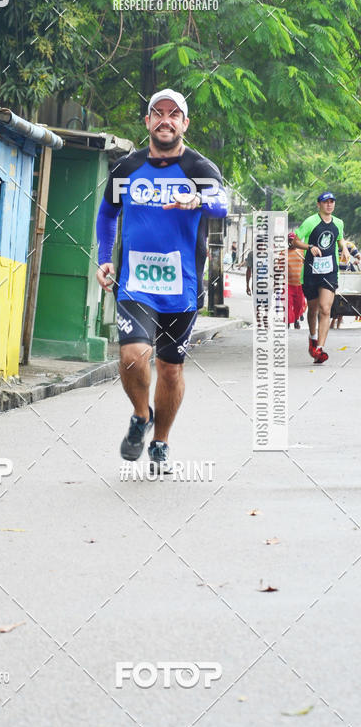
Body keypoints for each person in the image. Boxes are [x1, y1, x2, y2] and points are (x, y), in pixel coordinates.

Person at [95, 89, 228, 473]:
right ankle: (141, 415)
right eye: (158, 113)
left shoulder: (200, 169)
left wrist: (199, 201)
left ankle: (161, 442)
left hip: (182, 287)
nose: (165, 120)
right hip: (135, 283)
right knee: (133, 356)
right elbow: (107, 216)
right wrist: (105, 259)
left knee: (170, 369)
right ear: (148, 121)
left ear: (185, 123)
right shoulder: (126, 168)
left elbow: (222, 203)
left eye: (174, 114)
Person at [293, 192, 352, 363]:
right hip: (311, 271)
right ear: (318, 204)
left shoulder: (338, 223)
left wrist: (345, 248)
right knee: (313, 310)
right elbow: (295, 241)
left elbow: (339, 239)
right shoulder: (310, 222)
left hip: (329, 271)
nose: (329, 205)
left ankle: (320, 348)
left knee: (325, 308)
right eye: (326, 202)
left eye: (332, 202)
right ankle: (312, 338)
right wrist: (309, 246)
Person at [287, 232, 306, 329]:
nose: (291, 242)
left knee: (298, 305)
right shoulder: (283, 253)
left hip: (300, 284)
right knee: (288, 303)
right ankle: (288, 322)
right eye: (289, 240)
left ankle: (296, 319)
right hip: (288, 284)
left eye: (293, 240)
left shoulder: (302, 252)